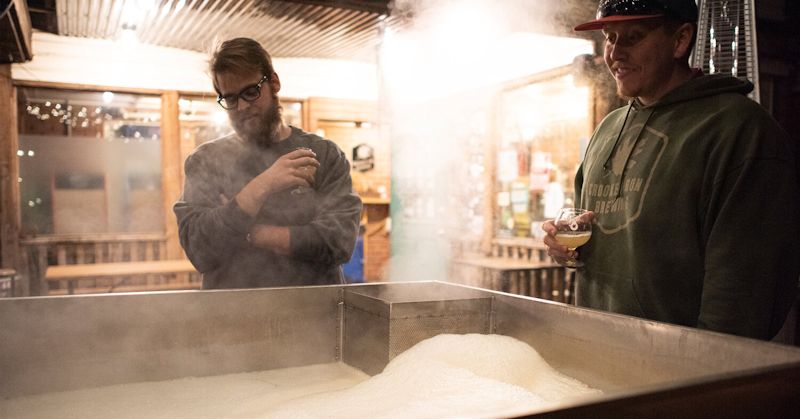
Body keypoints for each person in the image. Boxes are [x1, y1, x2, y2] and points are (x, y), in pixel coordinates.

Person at [542, 0, 800, 340]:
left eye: (633, 37)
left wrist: (704, 384)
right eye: (610, 37)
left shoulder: (740, 130)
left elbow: (742, 292)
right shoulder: (608, 129)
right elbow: (597, 239)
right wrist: (567, 250)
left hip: (682, 376)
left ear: (680, 40)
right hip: (600, 355)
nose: (615, 54)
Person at [174, 37, 362, 289]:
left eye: (250, 92)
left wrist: (252, 232)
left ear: (274, 82)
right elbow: (200, 249)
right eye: (230, 99)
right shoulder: (205, 161)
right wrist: (261, 186)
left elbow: (339, 242)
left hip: (314, 316)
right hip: (231, 317)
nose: (241, 107)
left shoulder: (323, 154)